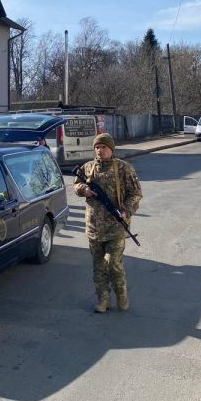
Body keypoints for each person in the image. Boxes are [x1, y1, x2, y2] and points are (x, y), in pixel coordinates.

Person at [73, 133, 142, 314]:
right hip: (94, 227)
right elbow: (76, 185)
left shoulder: (124, 168)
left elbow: (135, 194)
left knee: (113, 264)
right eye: (97, 147)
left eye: (103, 147)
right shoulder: (88, 168)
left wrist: (126, 211)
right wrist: (84, 190)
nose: (99, 150)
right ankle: (103, 300)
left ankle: (121, 293)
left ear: (111, 149)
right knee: (99, 267)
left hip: (116, 226)